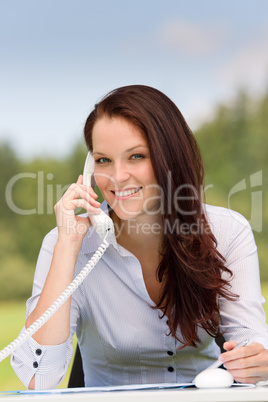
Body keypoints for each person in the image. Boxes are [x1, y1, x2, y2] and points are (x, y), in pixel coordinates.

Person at [11, 85, 268, 389]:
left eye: (136, 156)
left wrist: (256, 360)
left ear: (170, 158)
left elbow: (252, 339)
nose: (118, 177)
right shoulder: (65, 243)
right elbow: (40, 377)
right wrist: (67, 246)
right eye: (104, 160)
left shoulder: (227, 231)